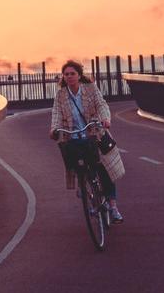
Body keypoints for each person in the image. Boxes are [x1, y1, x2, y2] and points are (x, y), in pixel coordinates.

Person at [49, 59, 123, 223]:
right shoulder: (61, 94)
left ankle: (113, 206)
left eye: (72, 73)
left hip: (93, 134)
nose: (69, 76)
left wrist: (105, 119)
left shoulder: (90, 89)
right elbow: (57, 114)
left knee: (104, 170)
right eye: (66, 74)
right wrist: (54, 128)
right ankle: (85, 189)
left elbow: (101, 104)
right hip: (73, 136)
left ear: (79, 75)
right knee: (75, 163)